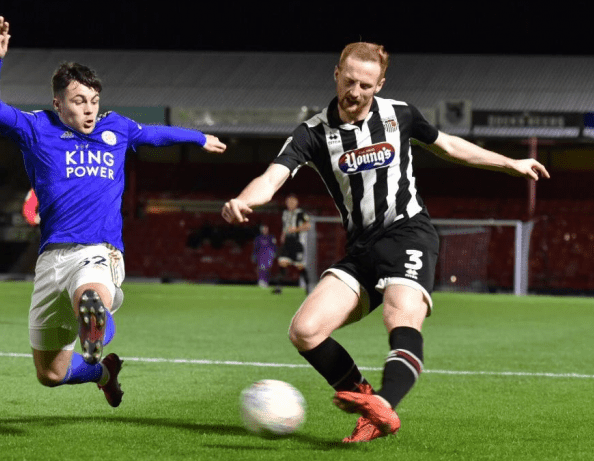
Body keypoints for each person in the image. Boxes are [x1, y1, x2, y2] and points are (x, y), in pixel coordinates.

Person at [221, 42, 548, 442]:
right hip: (361, 249)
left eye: (366, 84)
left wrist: (510, 163)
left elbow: (448, 145)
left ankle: (385, 405)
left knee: (401, 315)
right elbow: (272, 178)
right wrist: (242, 200)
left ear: (379, 85)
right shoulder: (312, 133)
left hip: (409, 232)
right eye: (349, 80)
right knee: (305, 330)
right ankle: (366, 401)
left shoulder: (400, 115)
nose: (355, 91)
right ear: (336, 74)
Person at [0, 17, 226, 407]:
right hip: (50, 260)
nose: (90, 110)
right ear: (58, 103)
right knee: (50, 374)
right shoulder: (36, 128)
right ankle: (103, 370)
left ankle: (94, 321)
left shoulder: (117, 129)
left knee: (90, 294)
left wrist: (198, 138)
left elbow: (154, 134)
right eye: (79, 101)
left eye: (94, 100)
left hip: (99, 250)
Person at [271, 194, 311, 294]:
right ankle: (278, 288)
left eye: (292, 201)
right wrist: (283, 236)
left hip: (297, 243)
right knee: (282, 263)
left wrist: (295, 229)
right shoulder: (285, 213)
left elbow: (308, 226)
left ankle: (308, 287)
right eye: (288, 202)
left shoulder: (301, 213)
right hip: (287, 243)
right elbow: (285, 227)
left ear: (297, 203)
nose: (290, 204)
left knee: (299, 266)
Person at [252, 224, 277, 288]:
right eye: (264, 229)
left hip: (269, 256)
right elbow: (256, 248)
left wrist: (274, 253)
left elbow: (274, 246)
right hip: (261, 256)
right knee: (261, 269)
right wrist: (254, 255)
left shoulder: (271, 237)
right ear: (262, 230)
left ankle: (266, 281)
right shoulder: (258, 238)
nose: (266, 230)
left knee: (267, 269)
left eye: (267, 229)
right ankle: (261, 281)